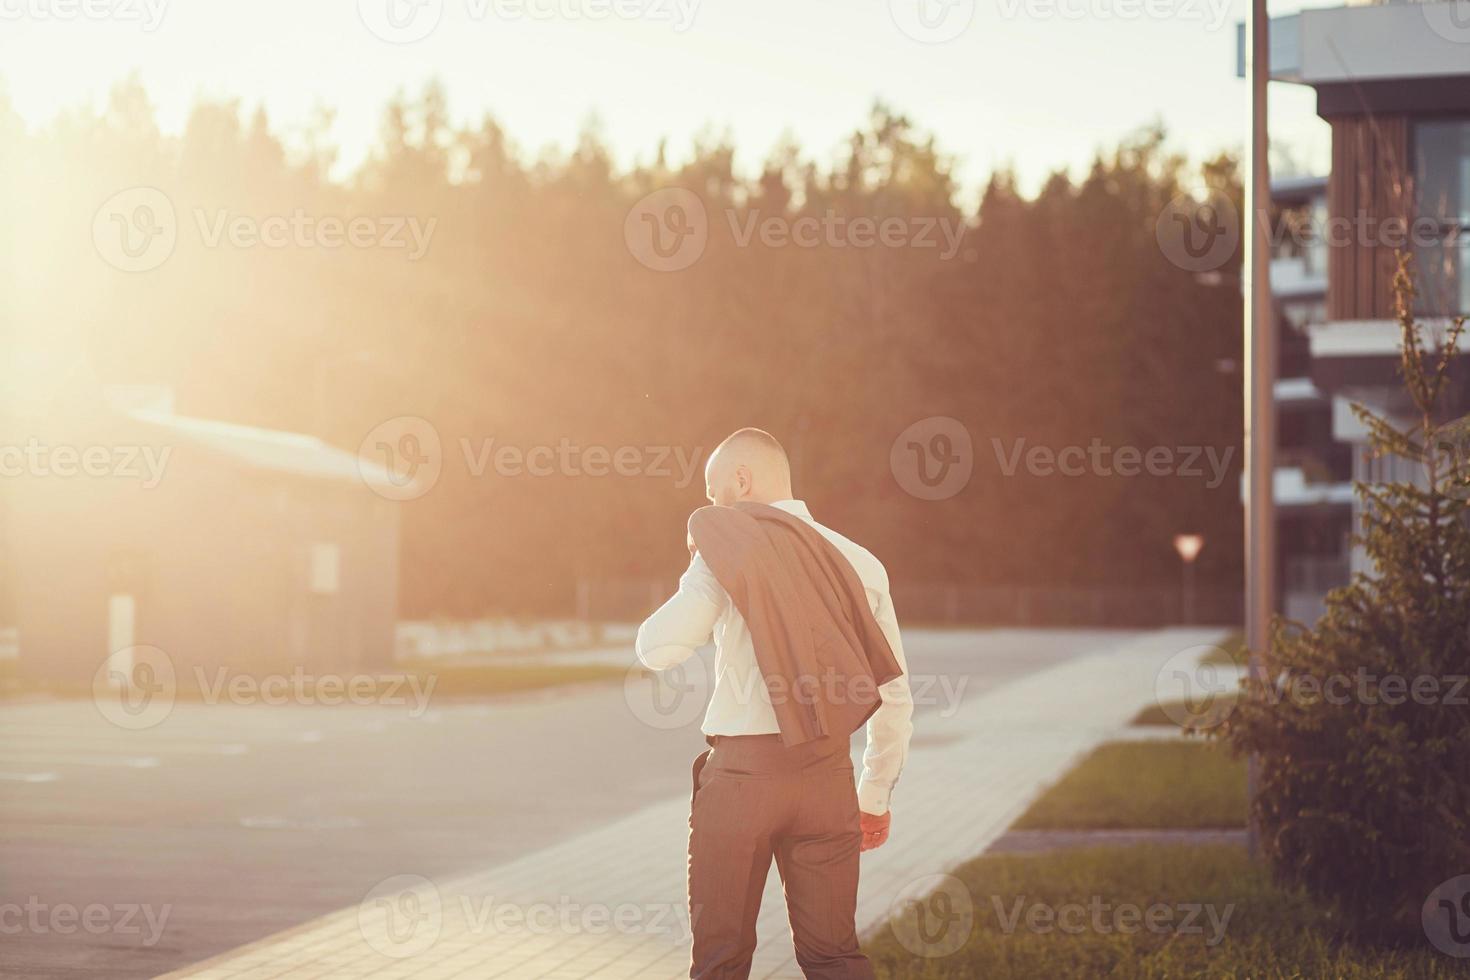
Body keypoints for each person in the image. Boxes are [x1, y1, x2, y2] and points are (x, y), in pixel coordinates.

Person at [636, 427, 914, 979]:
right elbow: (895, 692)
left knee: (721, 960)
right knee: (833, 956)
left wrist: (699, 564)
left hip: (743, 781)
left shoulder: (727, 547)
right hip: (828, 779)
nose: (712, 506)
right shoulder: (861, 560)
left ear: (742, 480)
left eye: (715, 491)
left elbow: (657, 649)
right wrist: (875, 792)